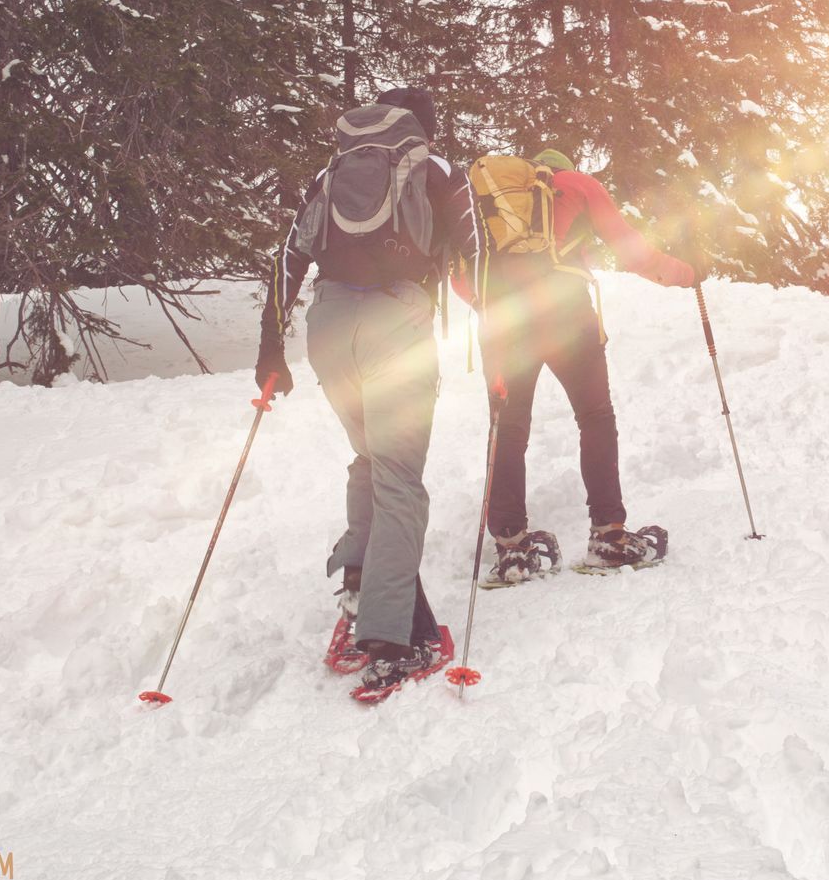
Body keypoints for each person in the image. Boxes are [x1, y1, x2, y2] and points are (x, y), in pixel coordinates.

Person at [256, 87, 478, 701]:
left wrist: (269, 348)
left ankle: (361, 589)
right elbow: (477, 254)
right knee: (400, 476)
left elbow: (288, 256)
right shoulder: (435, 169)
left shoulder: (335, 173)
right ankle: (392, 640)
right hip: (396, 327)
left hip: (328, 326)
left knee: (372, 459)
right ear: (424, 129)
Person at [462, 148, 704, 583]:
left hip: (503, 324)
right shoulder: (577, 185)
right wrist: (688, 273)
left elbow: (461, 275)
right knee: (594, 417)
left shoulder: (484, 202)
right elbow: (634, 254)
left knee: (508, 426)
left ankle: (512, 551)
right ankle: (608, 537)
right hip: (567, 315)